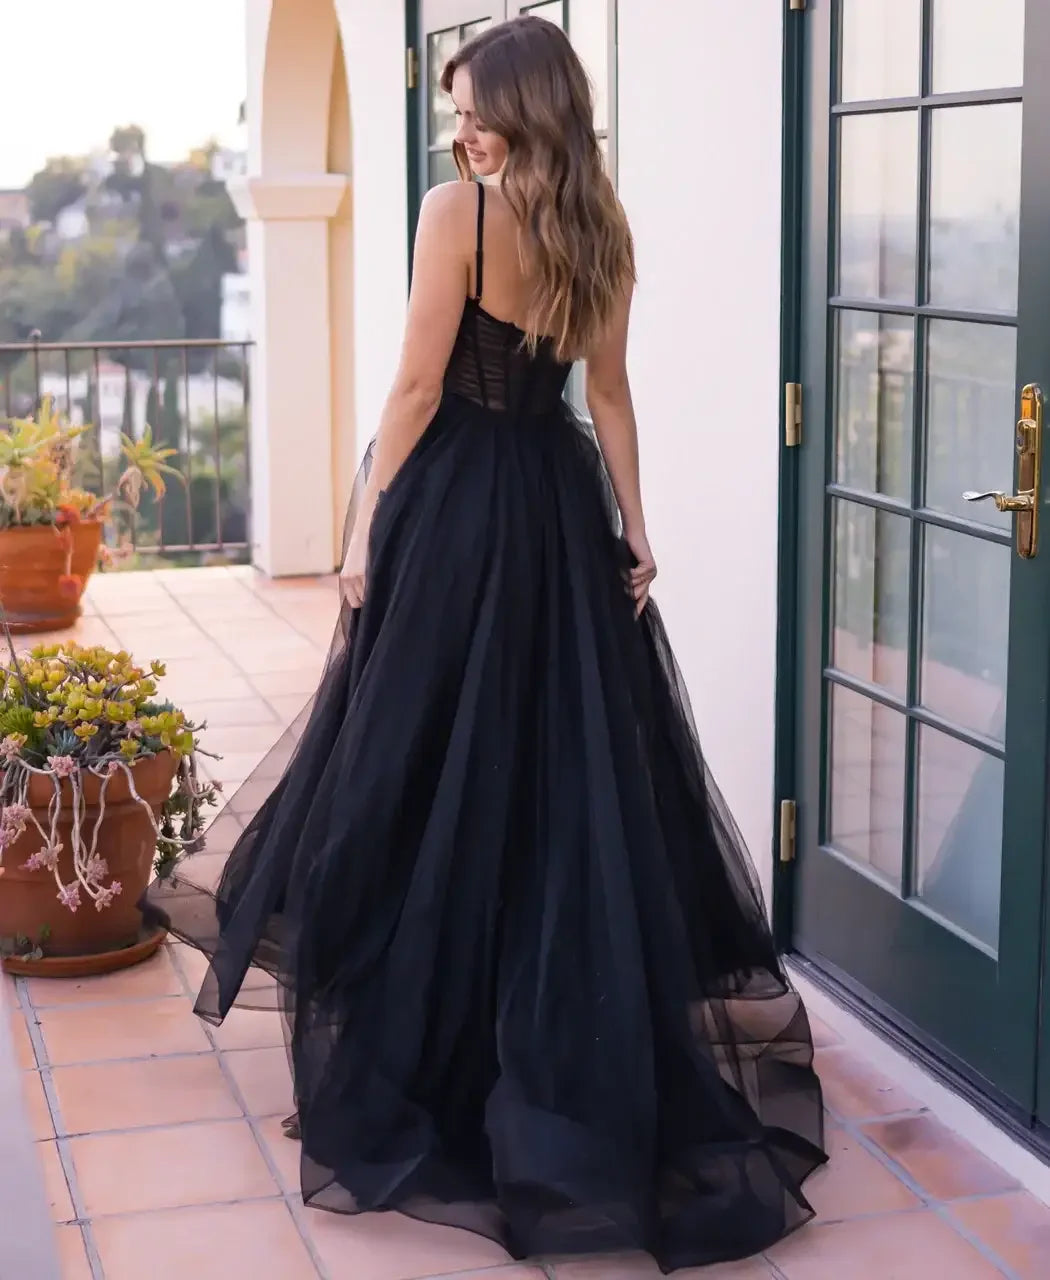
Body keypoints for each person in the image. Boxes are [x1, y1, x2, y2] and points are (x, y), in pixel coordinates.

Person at [144, 15, 827, 1274]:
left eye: (471, 107)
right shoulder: (604, 227)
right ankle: (518, 1056)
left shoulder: (454, 213)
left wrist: (362, 527)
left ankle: (400, 1071)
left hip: (458, 511)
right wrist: (635, 522)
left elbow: (412, 390)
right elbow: (606, 393)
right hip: (558, 517)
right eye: (453, 110)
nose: (459, 129)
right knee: (539, 795)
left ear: (522, 104)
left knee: (411, 776)